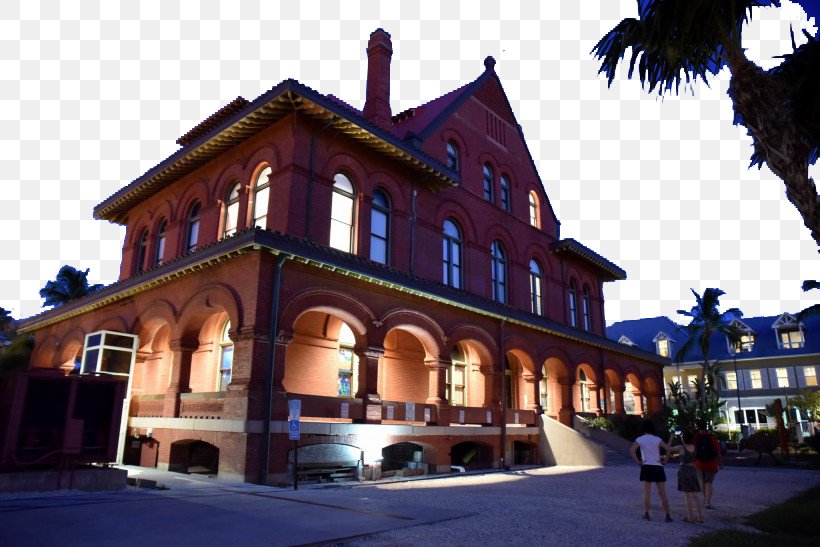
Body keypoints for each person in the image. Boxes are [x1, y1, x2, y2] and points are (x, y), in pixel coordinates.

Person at [629, 420, 673, 522]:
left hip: (646, 465)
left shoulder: (640, 439)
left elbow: (631, 451)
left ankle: (646, 514)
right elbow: (668, 449)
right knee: (662, 492)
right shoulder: (657, 439)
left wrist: (638, 462)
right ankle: (667, 515)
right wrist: (665, 460)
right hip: (657, 466)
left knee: (647, 492)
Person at [666, 430, 704, 523]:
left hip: (684, 470)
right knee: (695, 494)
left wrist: (671, 439)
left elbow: (668, 448)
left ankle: (690, 517)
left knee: (687, 496)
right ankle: (700, 516)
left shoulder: (681, 447)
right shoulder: (694, 447)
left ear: (684, 438)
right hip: (693, 470)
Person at [694, 418, 723, 509]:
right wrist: (720, 462)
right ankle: (707, 501)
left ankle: (705, 498)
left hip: (699, 462)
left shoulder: (696, 438)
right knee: (709, 482)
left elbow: (693, 450)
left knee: (702, 481)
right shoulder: (711, 437)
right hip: (710, 462)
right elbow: (718, 450)